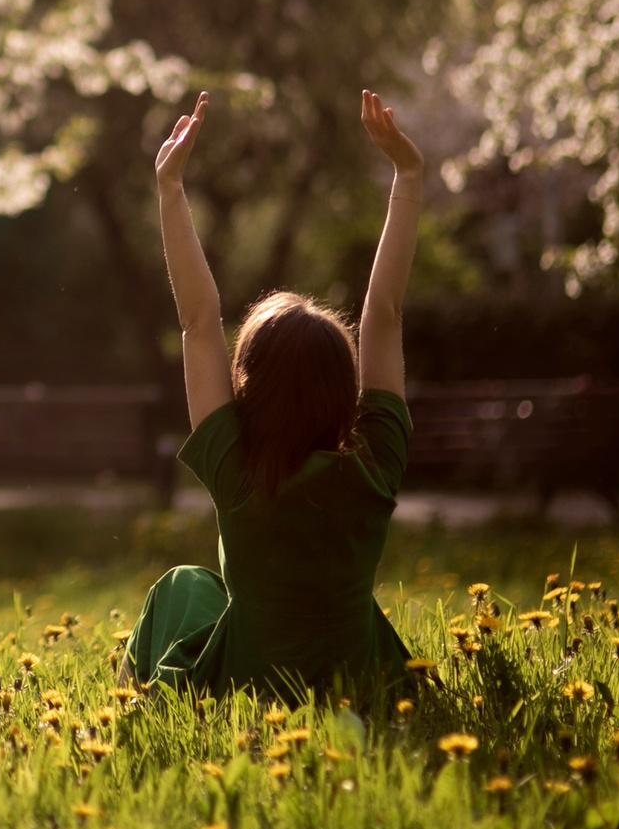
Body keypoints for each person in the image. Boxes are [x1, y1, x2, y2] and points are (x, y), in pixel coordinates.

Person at [121, 88, 425, 700]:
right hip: (359, 679)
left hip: (246, 683)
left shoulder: (238, 474)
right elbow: (385, 316)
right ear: (347, 390)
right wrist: (408, 174)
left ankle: (123, 693)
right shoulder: (374, 468)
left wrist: (170, 191)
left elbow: (199, 323)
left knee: (181, 586)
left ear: (247, 386)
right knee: (200, 586)